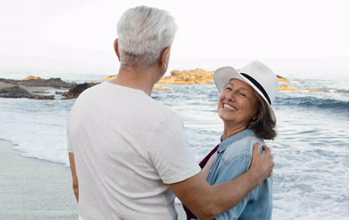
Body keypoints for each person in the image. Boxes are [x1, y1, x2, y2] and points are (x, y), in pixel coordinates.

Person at [67, 6, 274, 220]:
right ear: (165, 56)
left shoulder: (83, 101)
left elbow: (78, 185)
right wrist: (256, 174)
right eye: (229, 88)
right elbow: (207, 207)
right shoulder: (160, 121)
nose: (229, 96)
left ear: (118, 48)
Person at [185, 60, 279, 219]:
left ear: (257, 112)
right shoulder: (230, 144)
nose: (229, 96)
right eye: (229, 88)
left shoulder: (243, 153)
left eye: (242, 94)